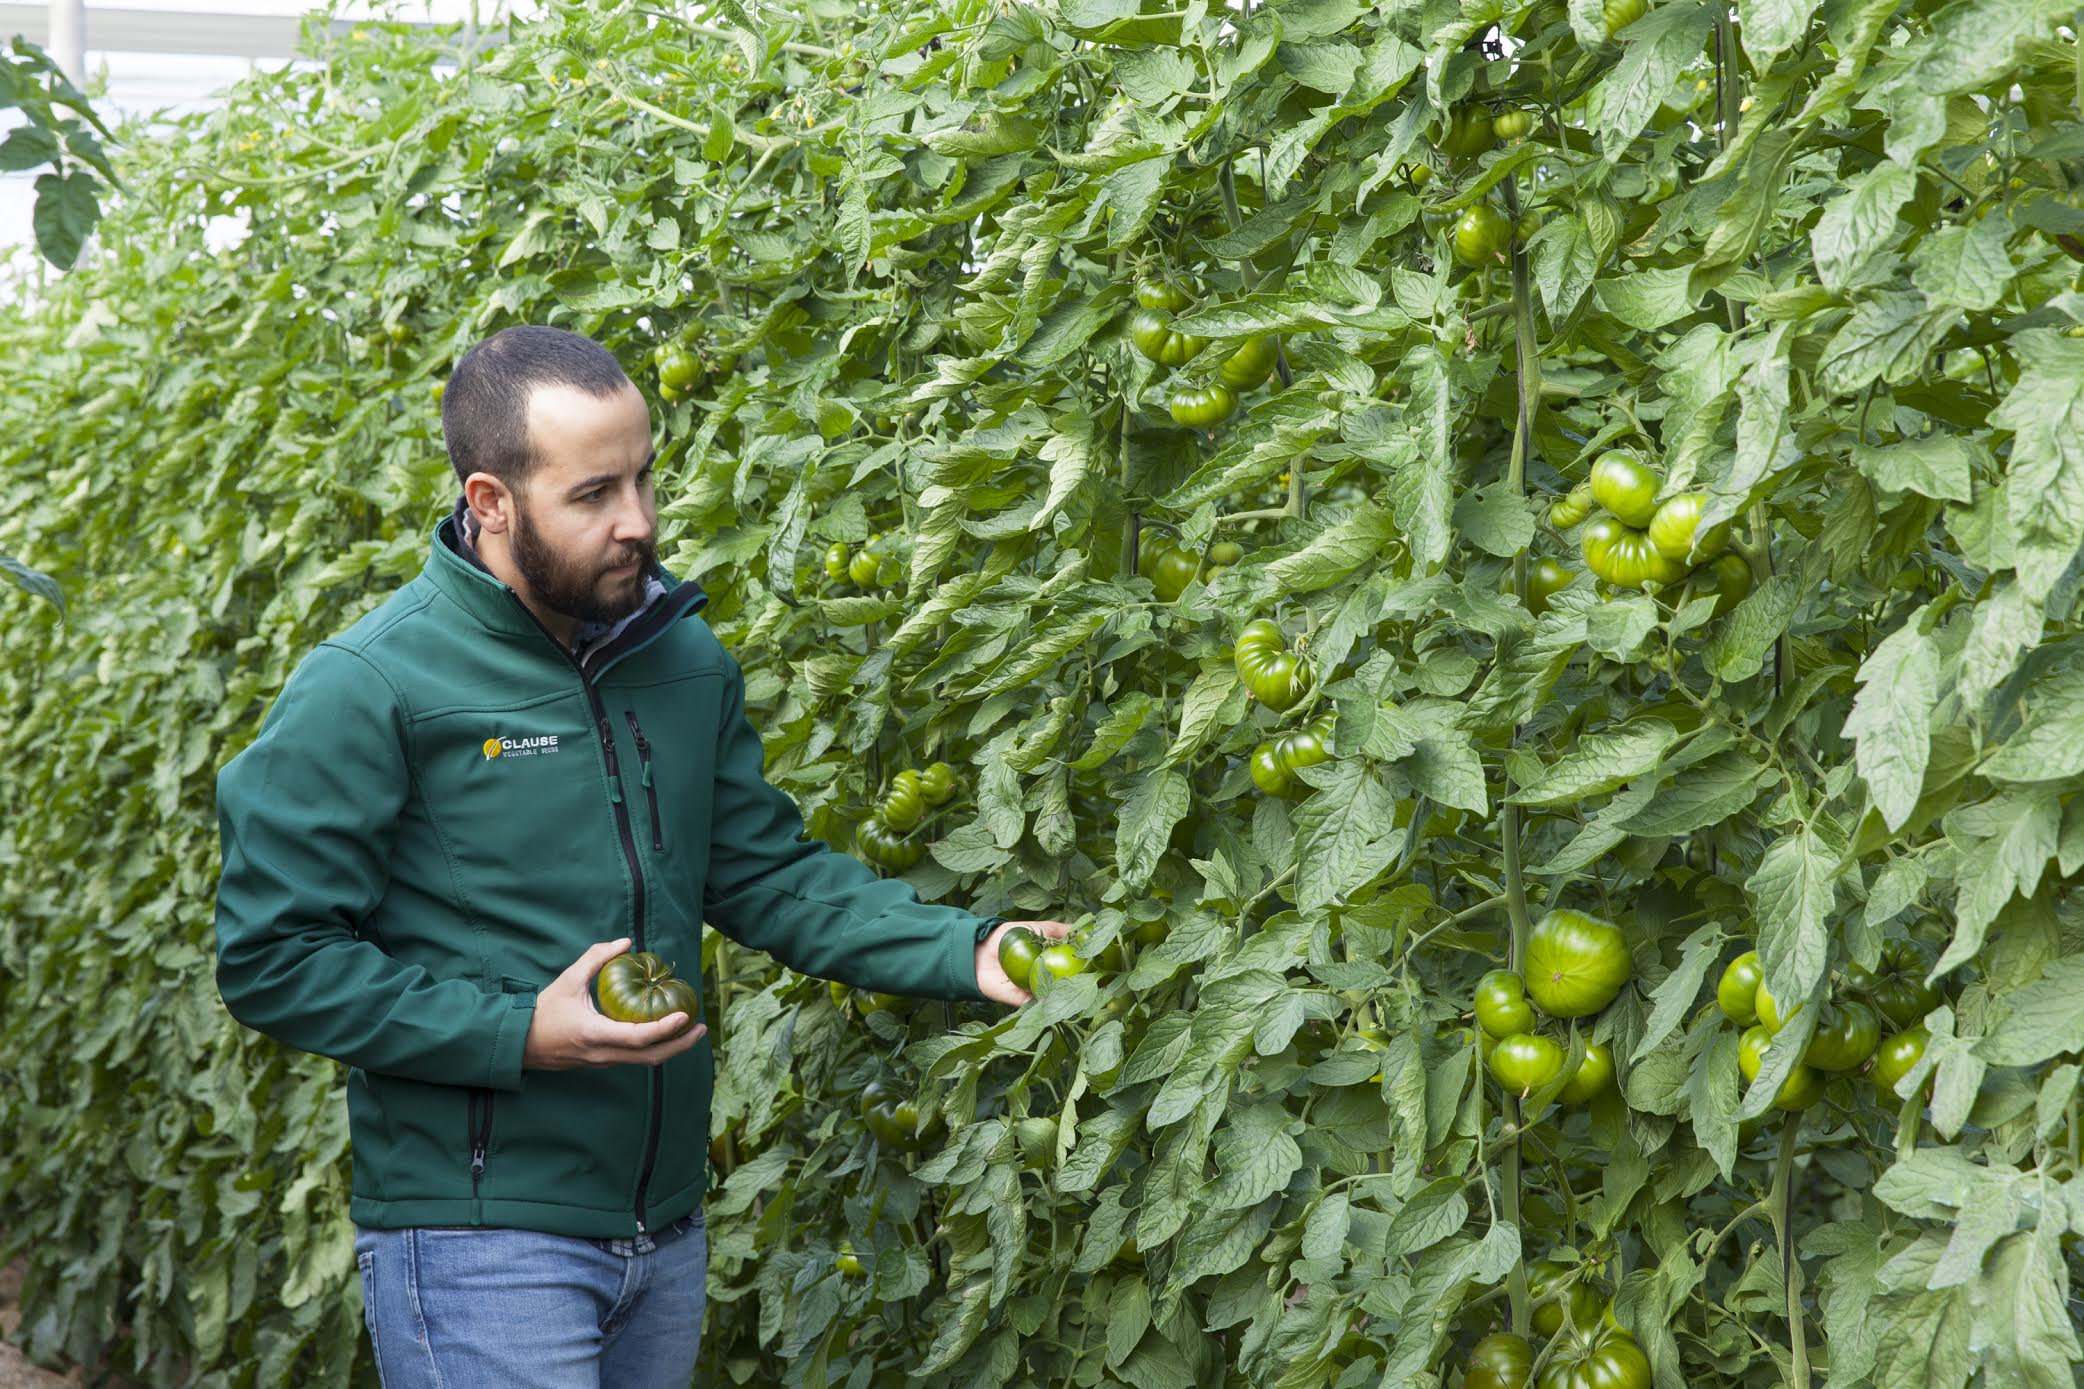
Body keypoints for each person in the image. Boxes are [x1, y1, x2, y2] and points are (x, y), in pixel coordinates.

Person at [211, 324, 1070, 1388]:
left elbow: (762, 873)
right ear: (490, 501)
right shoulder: (373, 684)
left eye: (644, 479)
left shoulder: (678, 658)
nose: (640, 524)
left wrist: (966, 950)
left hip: (660, 1231)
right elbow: (273, 957)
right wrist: (520, 1031)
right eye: (593, 495)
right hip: (480, 1234)